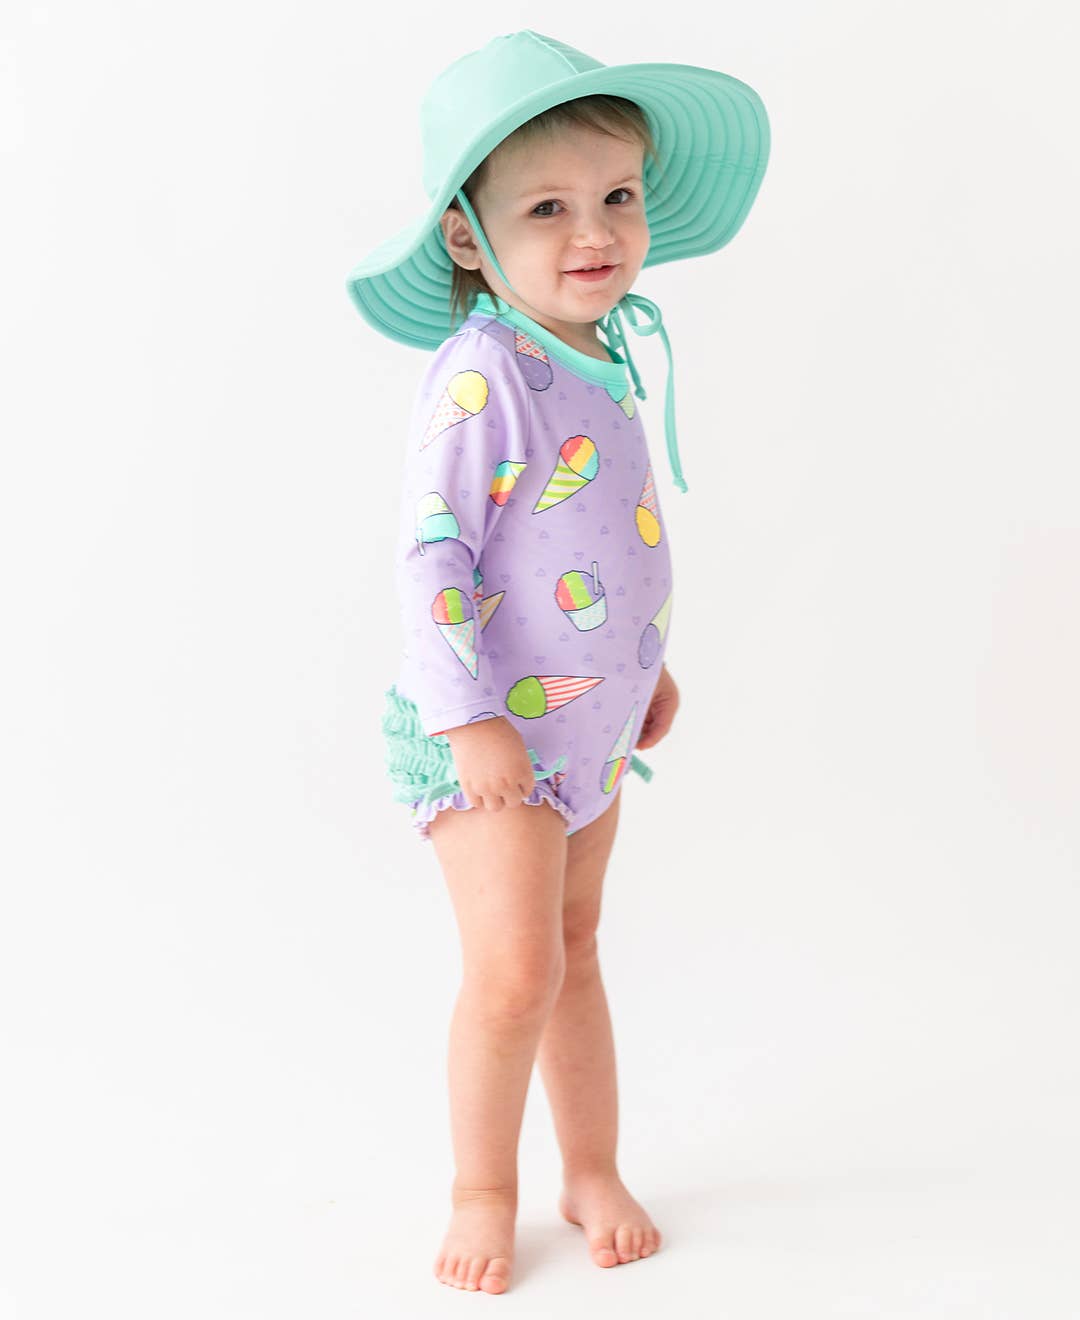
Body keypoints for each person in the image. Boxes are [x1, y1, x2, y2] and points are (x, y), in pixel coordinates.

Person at [345, 29, 770, 1294]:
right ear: (468, 238)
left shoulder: (601, 349)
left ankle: (592, 1167)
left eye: (617, 196)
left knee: (577, 949)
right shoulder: (486, 372)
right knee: (515, 972)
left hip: (589, 724)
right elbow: (436, 555)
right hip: (490, 734)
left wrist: (645, 671)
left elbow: (595, 540)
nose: (596, 232)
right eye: (547, 208)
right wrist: (468, 714)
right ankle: (484, 1187)